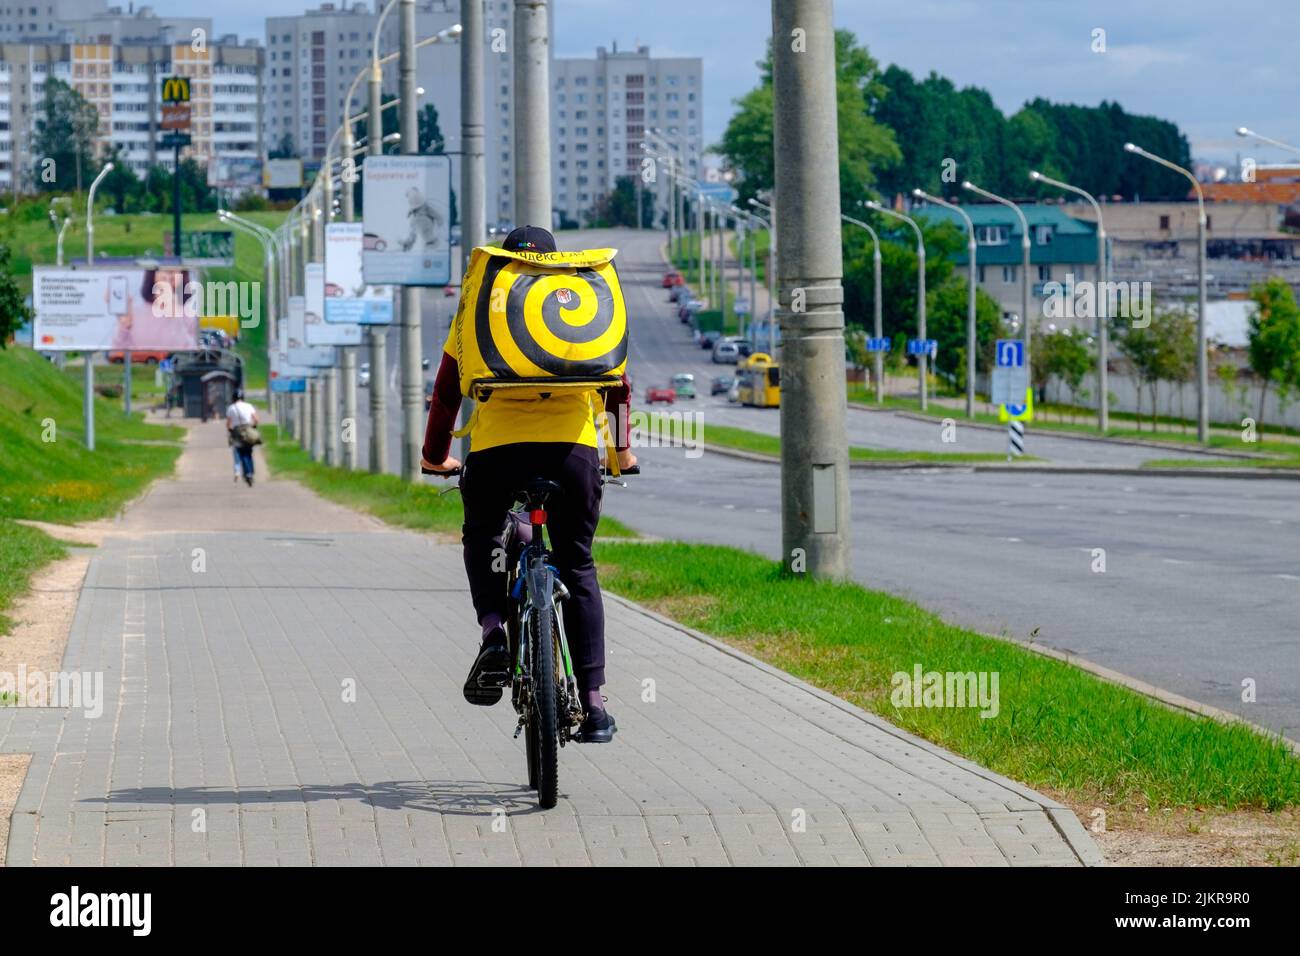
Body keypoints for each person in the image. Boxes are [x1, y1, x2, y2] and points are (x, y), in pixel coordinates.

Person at [421, 225, 635, 744]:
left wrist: (434, 458)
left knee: (484, 533)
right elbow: (617, 387)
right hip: (573, 454)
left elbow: (447, 391)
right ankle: (595, 704)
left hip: (497, 454)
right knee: (578, 562)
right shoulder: (577, 303)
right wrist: (619, 453)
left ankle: (493, 628)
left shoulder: (481, 305)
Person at [225, 390, 259, 488]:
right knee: (248, 452)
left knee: (240, 452)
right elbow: (256, 419)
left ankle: (247, 473)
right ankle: (250, 472)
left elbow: (228, 423)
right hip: (248, 431)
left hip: (237, 432)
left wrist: (230, 430)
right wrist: (253, 427)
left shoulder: (231, 408)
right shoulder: (249, 406)